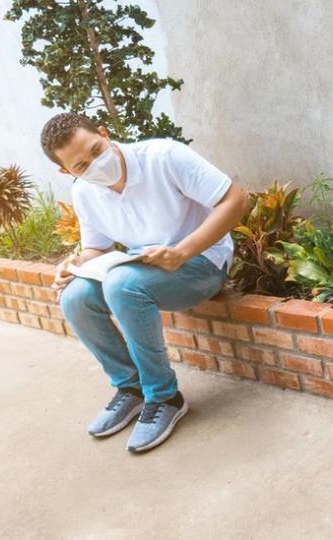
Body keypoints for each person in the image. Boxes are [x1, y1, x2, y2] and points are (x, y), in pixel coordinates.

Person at [41, 113, 249, 453]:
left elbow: (237, 200)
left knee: (122, 284)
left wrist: (183, 251)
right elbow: (98, 247)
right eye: (81, 165)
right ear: (67, 172)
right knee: (75, 296)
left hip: (202, 263)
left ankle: (164, 397)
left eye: (97, 150)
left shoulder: (164, 157)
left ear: (105, 134)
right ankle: (131, 388)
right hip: (146, 268)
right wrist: (75, 264)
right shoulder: (84, 193)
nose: (95, 164)